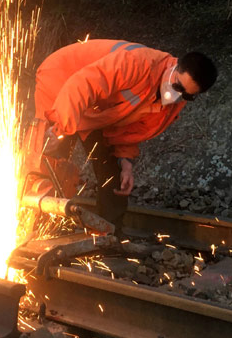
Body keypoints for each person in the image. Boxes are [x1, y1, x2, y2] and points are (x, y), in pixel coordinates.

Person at [33, 39, 218, 231]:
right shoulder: (136, 63)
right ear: (174, 66)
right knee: (51, 158)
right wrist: (60, 127)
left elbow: (129, 128)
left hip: (96, 111)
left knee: (112, 174)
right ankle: (33, 224)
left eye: (187, 95)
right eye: (177, 86)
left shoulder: (173, 103)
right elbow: (82, 85)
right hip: (60, 84)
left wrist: (126, 161)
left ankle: (108, 236)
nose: (177, 95)